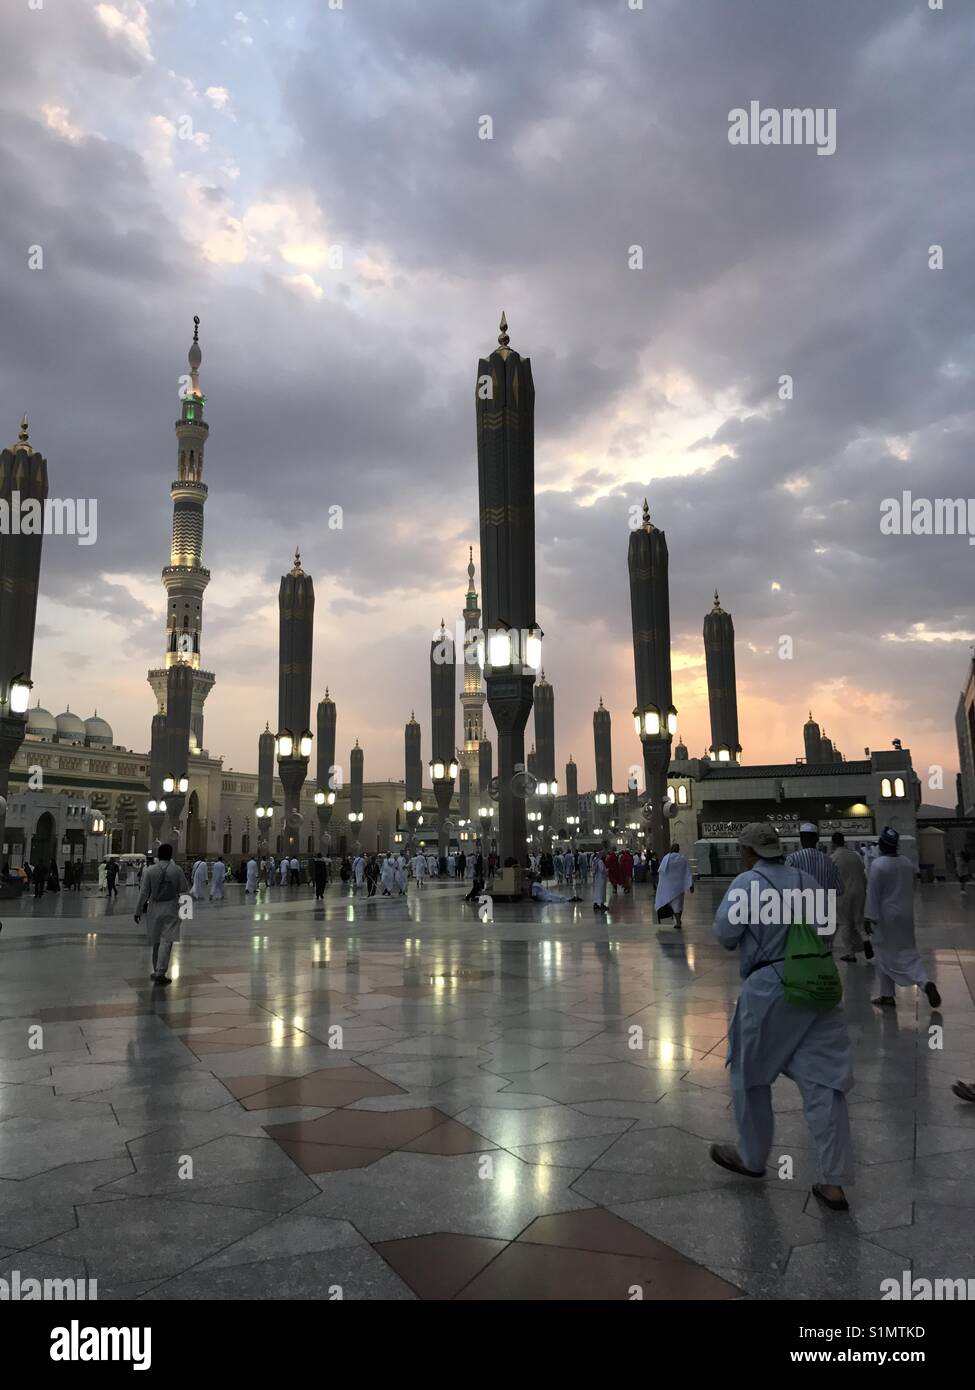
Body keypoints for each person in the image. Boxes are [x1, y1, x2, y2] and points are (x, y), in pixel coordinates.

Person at [709, 822, 855, 1212]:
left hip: (771, 988)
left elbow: (724, 934)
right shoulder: (809, 881)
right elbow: (828, 929)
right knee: (825, 1084)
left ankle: (752, 1157)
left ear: (747, 852)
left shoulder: (745, 884)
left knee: (750, 1074)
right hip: (820, 984)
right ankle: (833, 1182)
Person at [865, 826, 941, 1009]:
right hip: (905, 914)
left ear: (882, 844)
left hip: (886, 917)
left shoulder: (878, 865)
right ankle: (887, 995)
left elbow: (873, 894)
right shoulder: (906, 863)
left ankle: (923, 983)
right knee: (906, 951)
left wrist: (869, 917)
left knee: (886, 954)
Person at [135, 843, 188, 986]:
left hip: (154, 908)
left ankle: (156, 969)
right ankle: (160, 971)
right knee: (167, 940)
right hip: (171, 907)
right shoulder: (177, 870)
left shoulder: (150, 870)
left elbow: (144, 892)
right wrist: (186, 911)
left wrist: (138, 910)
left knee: (156, 939)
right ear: (171, 854)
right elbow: (184, 890)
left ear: (158, 854)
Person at [830, 832, 870, 963]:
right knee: (859, 922)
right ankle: (866, 940)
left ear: (833, 843)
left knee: (845, 923)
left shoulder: (833, 858)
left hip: (843, 894)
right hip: (859, 891)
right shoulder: (855, 856)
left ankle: (850, 953)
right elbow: (863, 874)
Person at [655, 842, 693, 927]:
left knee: (673, 904)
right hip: (680, 886)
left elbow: (661, 872)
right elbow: (687, 872)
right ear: (678, 849)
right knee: (679, 904)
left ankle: (678, 921)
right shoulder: (682, 859)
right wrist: (691, 885)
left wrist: (661, 884)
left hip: (669, 887)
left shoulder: (666, 858)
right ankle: (678, 920)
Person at [592, 845, 609, 912]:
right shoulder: (600, 862)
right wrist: (607, 870)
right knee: (601, 891)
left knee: (597, 892)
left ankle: (595, 903)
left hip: (597, 879)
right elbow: (602, 870)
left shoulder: (595, 860)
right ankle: (601, 904)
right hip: (601, 879)